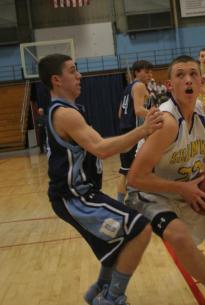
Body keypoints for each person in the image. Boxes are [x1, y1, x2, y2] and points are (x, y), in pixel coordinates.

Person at [38, 54, 163, 305]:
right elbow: (102, 149)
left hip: (81, 194)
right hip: (74, 197)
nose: (79, 75)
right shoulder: (65, 114)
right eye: (73, 71)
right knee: (139, 229)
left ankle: (98, 291)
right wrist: (143, 129)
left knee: (119, 242)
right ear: (56, 79)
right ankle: (112, 298)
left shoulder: (71, 111)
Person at [125, 55, 205, 305]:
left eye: (193, 74)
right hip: (150, 193)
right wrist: (182, 187)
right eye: (180, 75)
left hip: (184, 187)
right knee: (180, 237)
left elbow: (198, 144)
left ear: (201, 83)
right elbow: (135, 177)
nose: (188, 79)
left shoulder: (199, 111)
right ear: (170, 85)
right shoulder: (167, 122)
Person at [116, 60, 153, 203]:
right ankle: (133, 199)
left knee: (126, 170)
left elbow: (120, 113)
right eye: (146, 71)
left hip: (125, 130)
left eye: (151, 71)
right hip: (134, 133)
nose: (150, 75)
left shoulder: (128, 87)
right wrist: (158, 113)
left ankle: (126, 200)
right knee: (139, 169)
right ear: (137, 72)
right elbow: (138, 110)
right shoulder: (139, 86)